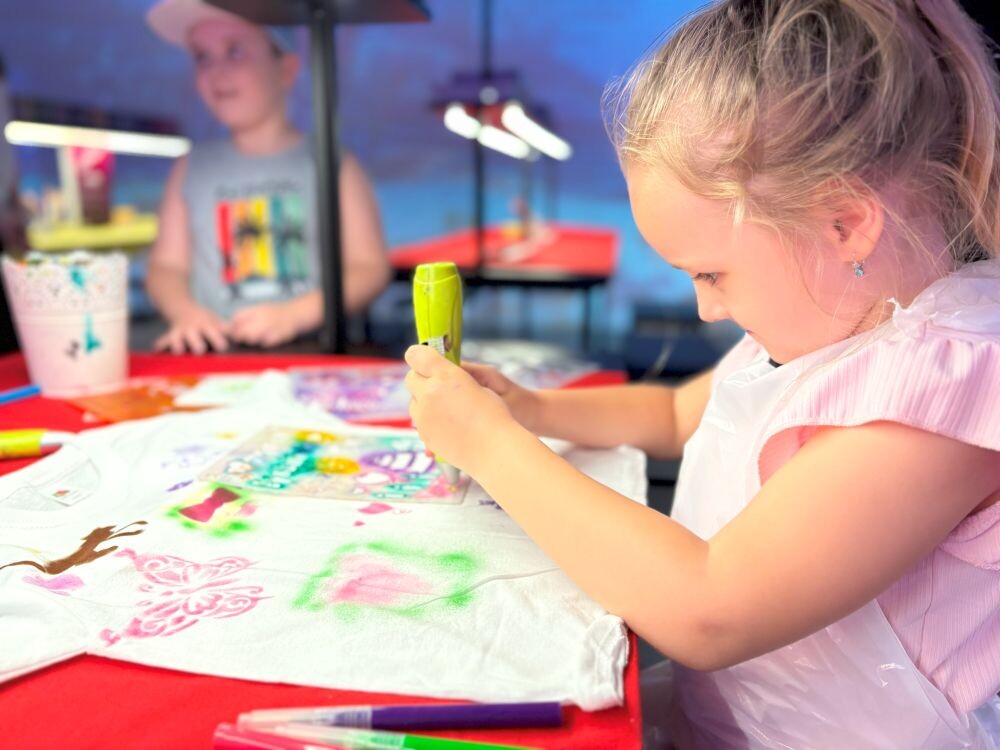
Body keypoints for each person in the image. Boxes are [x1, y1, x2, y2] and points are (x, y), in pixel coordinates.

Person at [404, 1, 1000, 747]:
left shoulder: (947, 390)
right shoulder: (822, 319)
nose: (705, 307)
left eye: (712, 273)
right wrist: (528, 410)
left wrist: (492, 445)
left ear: (844, 224)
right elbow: (676, 414)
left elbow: (710, 609)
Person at [145, 0, 390, 353]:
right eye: (202, 57)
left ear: (286, 69)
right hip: (217, 352)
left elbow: (368, 267)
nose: (218, 71)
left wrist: (297, 314)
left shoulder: (335, 163)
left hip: (309, 352)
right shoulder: (191, 167)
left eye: (235, 51)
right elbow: (166, 267)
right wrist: (185, 312)